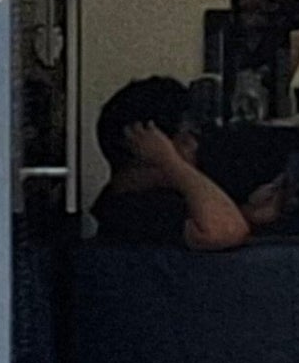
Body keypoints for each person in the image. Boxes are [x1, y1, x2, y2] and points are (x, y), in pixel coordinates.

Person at [91, 76, 289, 250]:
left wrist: (248, 214)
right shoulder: (129, 210)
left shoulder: (158, 199)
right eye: (185, 138)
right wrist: (171, 162)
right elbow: (225, 231)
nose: (194, 146)